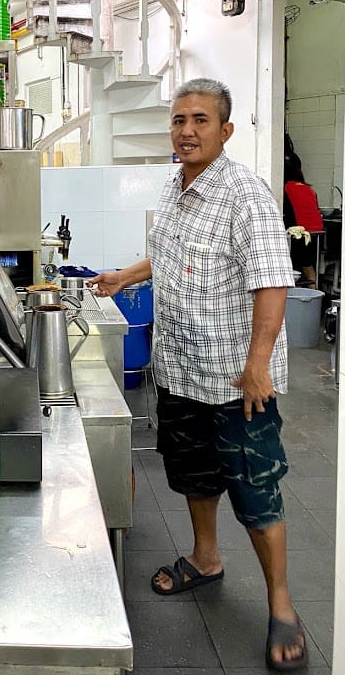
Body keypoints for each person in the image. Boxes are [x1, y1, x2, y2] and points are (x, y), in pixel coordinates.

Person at [88, 78, 306, 671]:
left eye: (201, 120)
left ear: (225, 130)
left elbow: (271, 280)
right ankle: (206, 559)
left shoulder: (247, 196)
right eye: (180, 120)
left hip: (237, 382)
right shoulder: (175, 188)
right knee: (194, 475)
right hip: (180, 370)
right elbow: (172, 252)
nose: (187, 130)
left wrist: (258, 363)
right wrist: (126, 275)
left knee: (256, 491)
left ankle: (281, 604)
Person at [283, 154, 324, 288]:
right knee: (309, 268)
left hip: (300, 234)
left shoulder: (286, 188)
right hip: (317, 234)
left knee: (296, 268)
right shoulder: (308, 188)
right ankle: (316, 298)